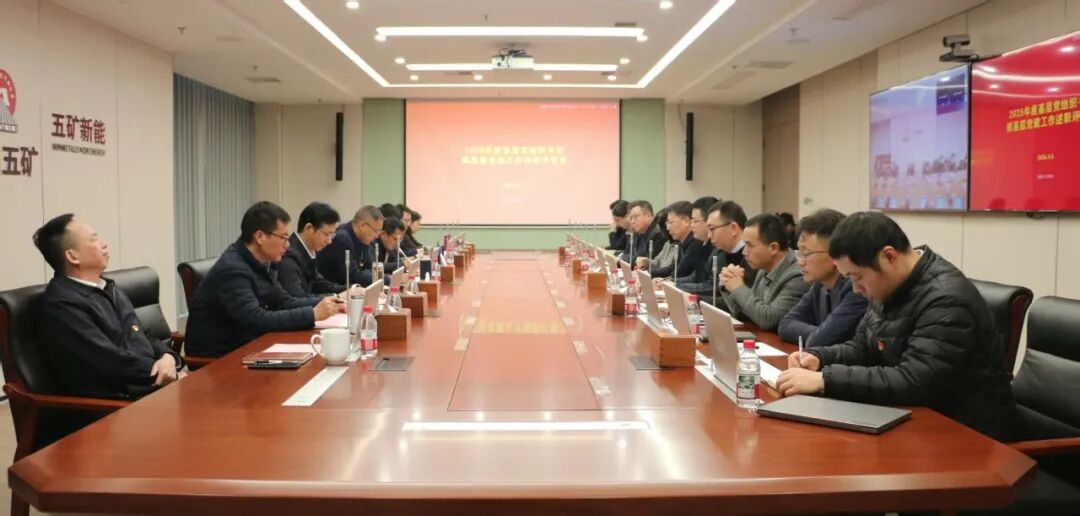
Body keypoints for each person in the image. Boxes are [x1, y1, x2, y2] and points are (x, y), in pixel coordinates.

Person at [777, 211, 1017, 441]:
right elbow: (863, 347)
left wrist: (825, 380)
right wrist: (819, 358)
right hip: (913, 419)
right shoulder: (890, 285)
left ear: (889, 256)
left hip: (966, 435)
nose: (855, 289)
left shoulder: (946, 299)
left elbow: (915, 380)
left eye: (857, 277)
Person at [33, 213, 183, 399]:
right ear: (73, 256)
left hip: (150, 387)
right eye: (93, 240)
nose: (103, 244)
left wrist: (169, 357)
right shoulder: (62, 304)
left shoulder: (108, 287)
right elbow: (109, 362)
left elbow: (141, 334)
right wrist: (165, 374)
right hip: (119, 403)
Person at [185, 202, 345, 358]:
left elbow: (284, 301)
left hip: (250, 346)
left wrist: (330, 302)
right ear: (260, 237)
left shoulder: (263, 261)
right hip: (221, 358)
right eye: (283, 238)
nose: (287, 245)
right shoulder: (233, 269)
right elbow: (256, 319)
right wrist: (312, 314)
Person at [778, 209, 868, 347]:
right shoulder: (820, 285)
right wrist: (820, 332)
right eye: (799, 253)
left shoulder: (857, 288)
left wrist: (821, 335)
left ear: (835, 254)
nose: (800, 262)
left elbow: (821, 340)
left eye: (806, 254)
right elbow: (785, 325)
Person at [719, 213, 809, 331]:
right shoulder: (764, 269)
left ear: (773, 248)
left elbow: (770, 320)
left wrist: (738, 288)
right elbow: (748, 313)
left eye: (750, 245)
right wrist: (728, 286)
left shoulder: (798, 275)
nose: (744, 252)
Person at [676, 200, 754, 301]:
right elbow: (715, 289)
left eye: (712, 229)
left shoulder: (753, 258)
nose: (709, 235)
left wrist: (693, 299)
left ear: (734, 228)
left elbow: (740, 303)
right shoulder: (719, 252)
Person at [278, 202, 347, 298]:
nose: (329, 241)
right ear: (309, 228)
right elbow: (297, 297)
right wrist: (337, 297)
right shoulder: (288, 255)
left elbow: (319, 284)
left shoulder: (309, 251)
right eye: (327, 234)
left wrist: (351, 289)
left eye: (332, 235)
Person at [317, 205, 384, 287]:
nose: (377, 236)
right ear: (363, 225)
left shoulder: (364, 239)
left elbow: (370, 267)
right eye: (376, 231)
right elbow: (354, 276)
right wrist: (384, 278)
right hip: (331, 290)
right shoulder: (342, 239)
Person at [649, 201, 707, 282]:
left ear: (686, 221)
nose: (667, 228)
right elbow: (673, 268)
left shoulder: (696, 243)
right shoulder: (682, 242)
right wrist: (648, 273)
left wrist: (665, 281)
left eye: (671, 222)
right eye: (667, 223)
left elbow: (680, 273)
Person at [621, 200, 665, 267]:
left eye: (636, 217)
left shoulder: (658, 234)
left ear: (648, 216)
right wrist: (635, 260)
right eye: (631, 218)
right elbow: (625, 254)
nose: (632, 221)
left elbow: (645, 262)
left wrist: (633, 260)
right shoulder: (637, 231)